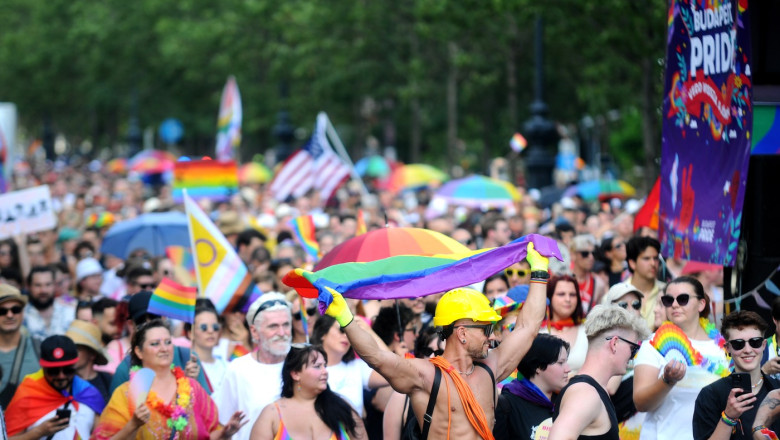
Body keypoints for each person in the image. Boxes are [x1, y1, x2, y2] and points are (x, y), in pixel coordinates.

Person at [317, 242, 552, 439]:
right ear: (461, 333)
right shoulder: (426, 375)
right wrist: (345, 317)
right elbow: (377, 358)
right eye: (485, 329)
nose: (492, 337)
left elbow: (527, 327)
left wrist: (539, 271)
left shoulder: (492, 368)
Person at [92, 319, 246, 439]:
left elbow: (210, 434)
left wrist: (226, 433)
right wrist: (133, 425)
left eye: (168, 342)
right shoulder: (126, 393)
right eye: (155, 344)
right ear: (139, 352)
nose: (164, 348)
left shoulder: (193, 388)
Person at [633, 276, 729, 440]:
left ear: (701, 304)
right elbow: (641, 403)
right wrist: (667, 381)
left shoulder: (722, 347)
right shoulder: (653, 344)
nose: (675, 304)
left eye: (683, 299)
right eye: (668, 300)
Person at [549, 304, 649, 440]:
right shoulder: (585, 394)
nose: (633, 356)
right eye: (633, 349)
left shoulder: (593, 390)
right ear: (614, 344)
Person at [212, 293, 292, 440]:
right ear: (254, 331)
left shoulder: (303, 364)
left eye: (286, 325)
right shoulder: (238, 369)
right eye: (273, 326)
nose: (282, 333)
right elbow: (222, 425)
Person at [250, 344, 366, 439]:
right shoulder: (272, 414)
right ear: (295, 374)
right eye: (317, 366)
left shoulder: (342, 407)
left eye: (325, 365)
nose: (325, 371)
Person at [694, 311, 779, 440]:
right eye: (738, 344)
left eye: (755, 342)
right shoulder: (710, 395)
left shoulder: (776, 391)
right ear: (727, 348)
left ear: (763, 345)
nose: (748, 350)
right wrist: (728, 418)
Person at [5, 335, 104, 439]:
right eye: (54, 371)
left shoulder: (89, 393)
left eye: (67, 370)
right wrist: (38, 432)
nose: (61, 376)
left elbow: (101, 435)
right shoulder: (27, 393)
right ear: (43, 368)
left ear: (75, 366)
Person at [108, 291, 208, 394]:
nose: (149, 324)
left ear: (163, 318)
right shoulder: (125, 368)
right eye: (141, 321)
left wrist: (192, 384)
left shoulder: (188, 357)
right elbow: (116, 409)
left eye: (154, 318)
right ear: (130, 324)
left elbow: (207, 407)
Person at [494, 334, 571, 440]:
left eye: (566, 362)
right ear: (538, 366)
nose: (568, 369)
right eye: (561, 363)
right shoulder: (507, 405)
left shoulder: (568, 401)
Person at [310, 315, 389, 415]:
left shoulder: (357, 366)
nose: (346, 336)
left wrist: (369, 331)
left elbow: (393, 371)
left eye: (350, 332)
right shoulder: (308, 369)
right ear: (323, 333)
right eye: (342, 330)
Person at [0, 284, 40, 409]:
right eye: (2, 311)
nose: (10, 315)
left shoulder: (39, 347)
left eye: (16, 309)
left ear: (23, 313)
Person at [540, 275, 588, 375]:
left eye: (572, 295)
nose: (568, 299)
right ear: (549, 297)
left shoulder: (588, 330)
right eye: (561, 294)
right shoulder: (539, 331)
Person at [65, 320, 113, 403]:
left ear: (92, 354)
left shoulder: (107, 380)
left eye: (77, 349)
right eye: (69, 349)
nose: (71, 353)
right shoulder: (62, 379)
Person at [23, 266, 75, 340]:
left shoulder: (69, 312)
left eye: (48, 284)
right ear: (28, 287)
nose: (43, 290)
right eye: (38, 285)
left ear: (54, 285)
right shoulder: (22, 316)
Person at [185, 304, 228, 393]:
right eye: (204, 327)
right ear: (190, 333)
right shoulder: (185, 366)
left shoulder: (227, 366)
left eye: (215, 327)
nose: (210, 331)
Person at [625, 236, 665, 329]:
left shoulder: (667, 292)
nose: (653, 263)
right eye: (646, 258)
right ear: (632, 263)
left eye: (655, 258)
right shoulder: (617, 294)